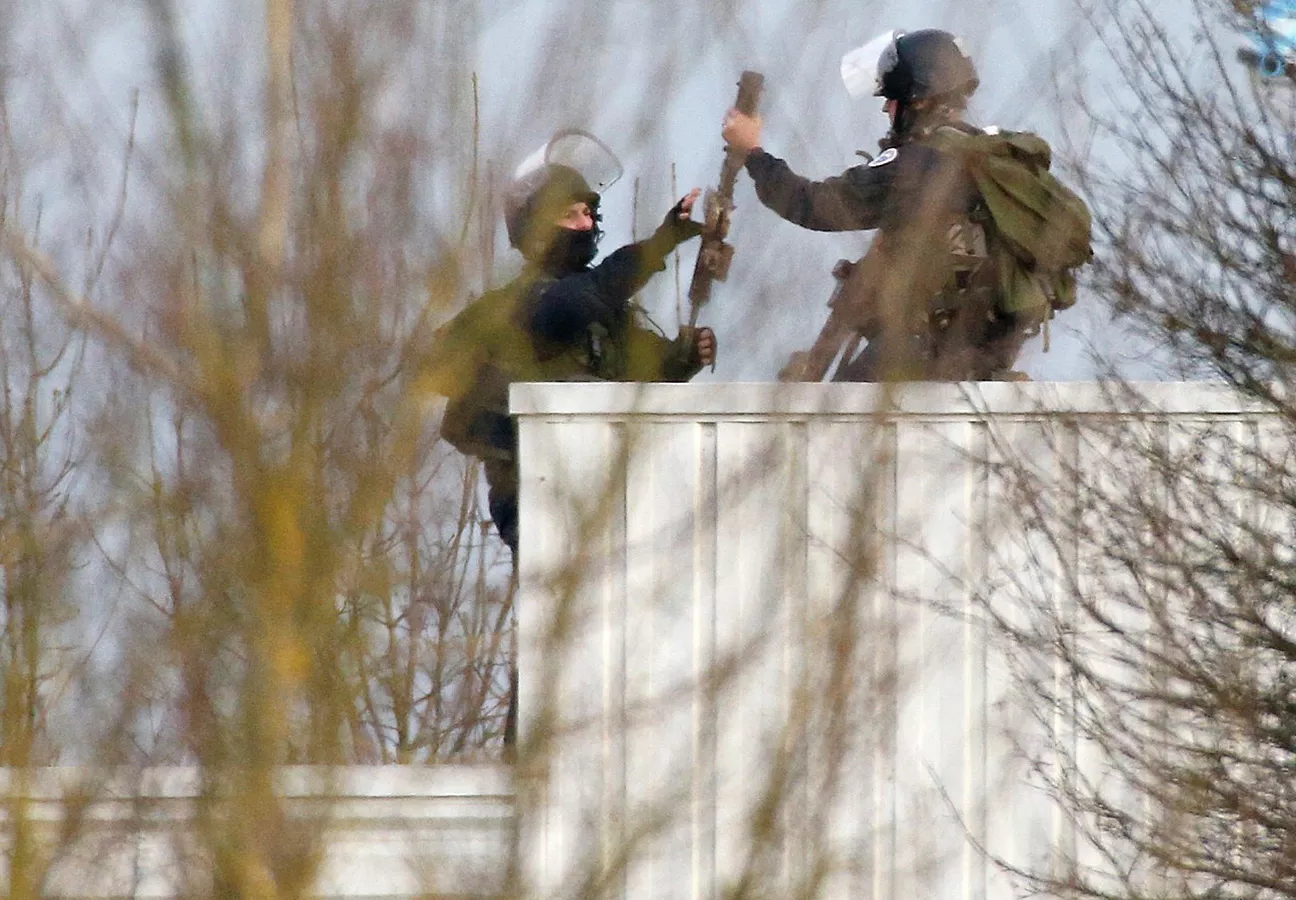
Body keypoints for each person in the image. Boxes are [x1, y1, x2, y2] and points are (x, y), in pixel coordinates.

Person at [416, 134, 716, 748]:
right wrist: (663, 242)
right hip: (536, 493)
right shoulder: (524, 307)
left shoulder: (603, 311)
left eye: (590, 213)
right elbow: (582, 301)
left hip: (596, 493)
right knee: (560, 626)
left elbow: (642, 374)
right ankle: (526, 755)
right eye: (571, 214)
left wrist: (683, 358)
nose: (587, 223)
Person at [723, 29, 1088, 382]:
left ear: (919, 99)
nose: (886, 108)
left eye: (892, 98)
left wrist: (752, 152)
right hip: (992, 348)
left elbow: (812, 204)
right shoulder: (987, 160)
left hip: (930, 347)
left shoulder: (918, 164)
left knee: (838, 418)